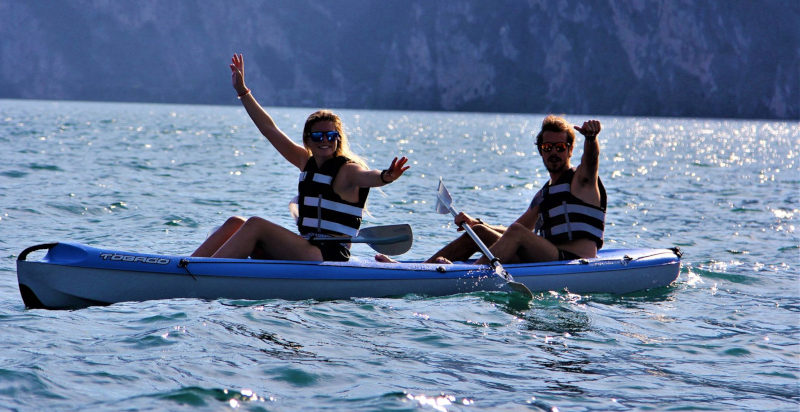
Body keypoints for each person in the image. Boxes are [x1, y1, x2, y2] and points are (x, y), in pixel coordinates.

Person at [193, 54, 409, 261]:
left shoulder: (348, 170)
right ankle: (185, 265)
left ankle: (201, 275)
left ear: (338, 138)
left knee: (255, 224)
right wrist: (242, 92)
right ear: (308, 139)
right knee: (234, 223)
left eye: (331, 135)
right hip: (305, 248)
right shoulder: (305, 161)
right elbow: (269, 129)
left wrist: (388, 176)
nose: (325, 140)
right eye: (318, 135)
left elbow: (370, 177)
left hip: (327, 255)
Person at [376, 114, 604, 264]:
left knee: (512, 233)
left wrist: (591, 139)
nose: (553, 152)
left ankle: (470, 275)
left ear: (570, 149)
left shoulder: (581, 180)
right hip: (546, 259)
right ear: (540, 151)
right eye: (547, 147)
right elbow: (514, 230)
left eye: (560, 147)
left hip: (572, 261)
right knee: (477, 234)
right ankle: (424, 271)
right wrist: (478, 224)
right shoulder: (544, 194)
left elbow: (591, 160)